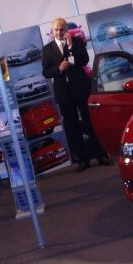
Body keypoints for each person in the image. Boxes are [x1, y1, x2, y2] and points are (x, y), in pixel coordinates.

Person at [41, 17, 111, 172]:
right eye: (56, 30)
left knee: (90, 121)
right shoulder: (47, 50)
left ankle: (100, 154)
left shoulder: (78, 42)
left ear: (66, 30)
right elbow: (46, 72)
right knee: (72, 126)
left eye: (62, 29)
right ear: (53, 31)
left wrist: (71, 46)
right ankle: (82, 159)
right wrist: (58, 68)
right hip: (64, 93)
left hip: (81, 88)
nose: (59, 32)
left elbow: (84, 60)